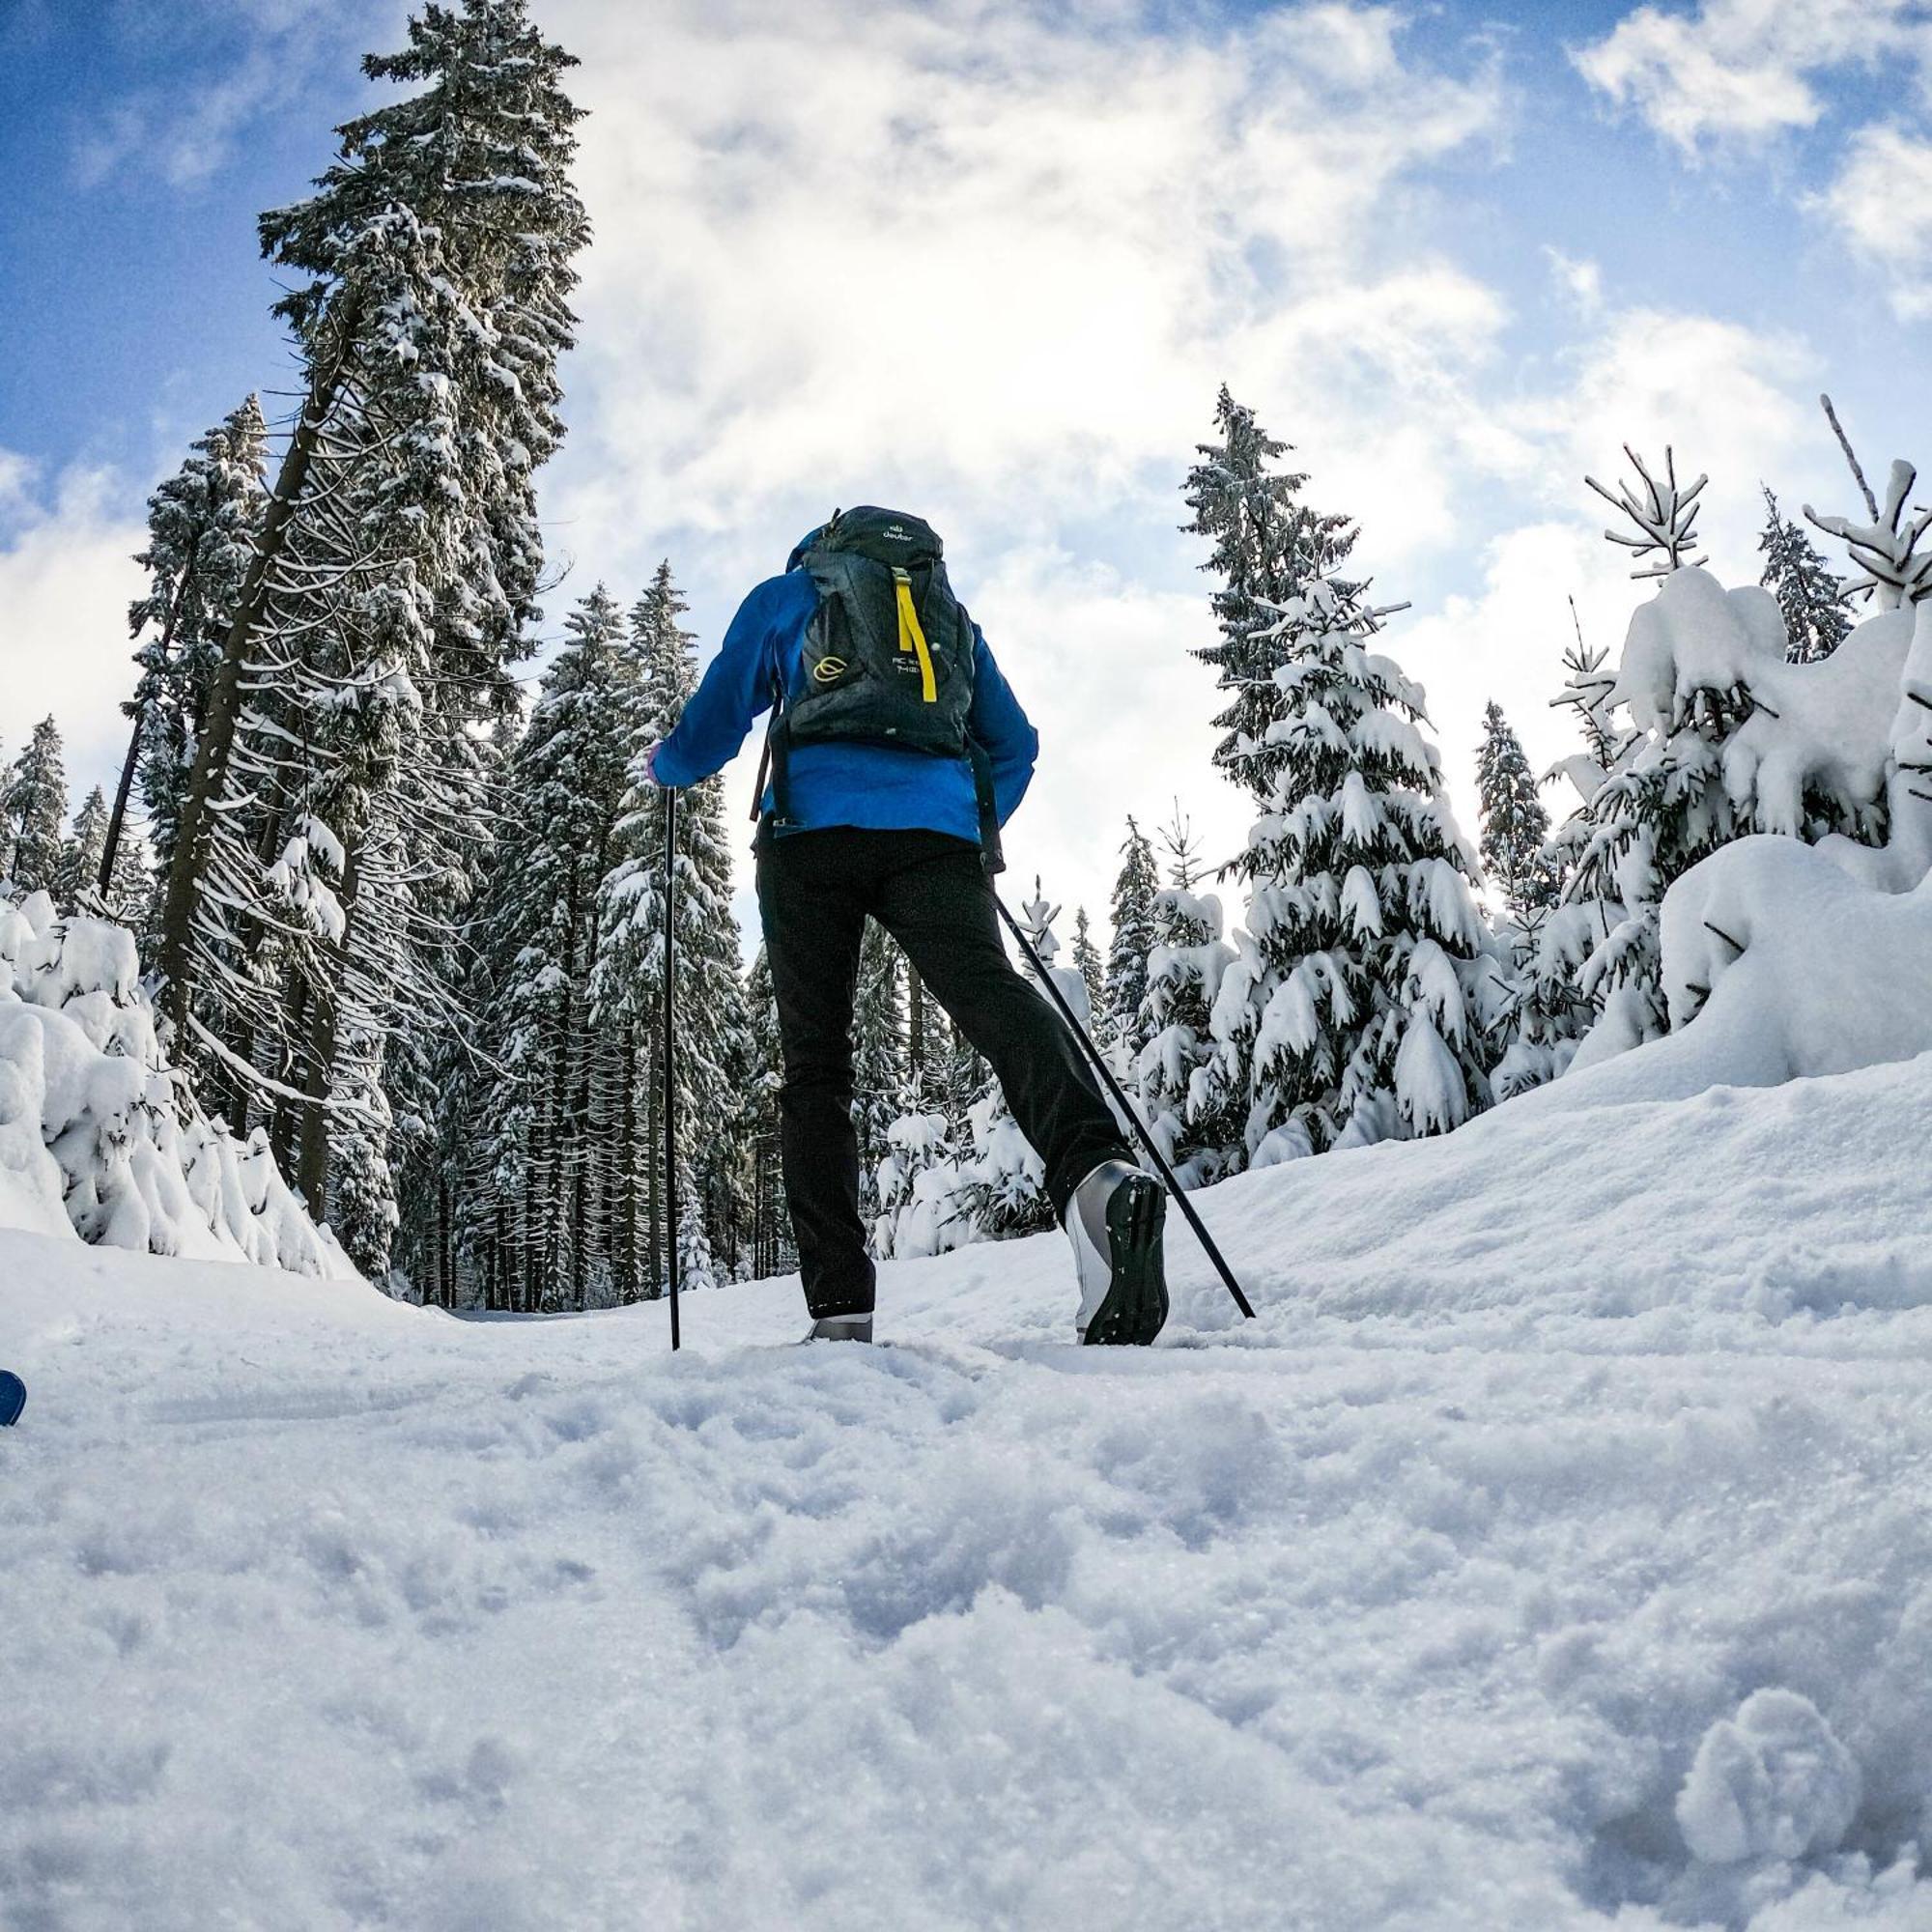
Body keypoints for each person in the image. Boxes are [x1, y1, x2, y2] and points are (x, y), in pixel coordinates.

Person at [645, 506, 1168, 1346]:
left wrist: (665, 765)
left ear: (821, 551)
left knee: (817, 1067)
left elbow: (712, 727)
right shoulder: (949, 618)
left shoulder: (790, 594)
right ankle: (1094, 1172)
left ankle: (841, 1308)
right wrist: (964, 820)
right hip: (936, 843)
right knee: (991, 995)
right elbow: (1017, 745)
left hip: (809, 838)